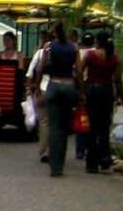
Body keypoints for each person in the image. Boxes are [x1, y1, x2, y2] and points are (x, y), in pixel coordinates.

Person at [83, 33, 123, 173]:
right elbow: (118, 81)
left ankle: (91, 162)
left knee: (92, 126)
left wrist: (81, 88)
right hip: (107, 93)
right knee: (104, 126)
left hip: (92, 91)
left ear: (97, 41)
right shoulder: (115, 59)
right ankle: (104, 158)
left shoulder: (90, 55)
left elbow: (79, 70)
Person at [43, 22, 82, 177]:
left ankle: (54, 166)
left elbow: (41, 66)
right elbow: (79, 71)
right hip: (68, 86)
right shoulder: (74, 48)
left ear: (55, 32)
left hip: (53, 84)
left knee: (54, 127)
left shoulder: (49, 46)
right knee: (64, 128)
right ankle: (60, 164)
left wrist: (35, 86)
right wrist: (82, 91)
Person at [26, 28, 54, 163]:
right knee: (56, 121)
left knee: (43, 122)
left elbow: (31, 72)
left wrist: (31, 88)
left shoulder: (40, 53)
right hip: (58, 88)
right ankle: (54, 150)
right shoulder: (63, 51)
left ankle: (43, 150)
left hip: (42, 89)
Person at [74, 33, 96, 159]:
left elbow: (77, 72)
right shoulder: (96, 53)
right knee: (92, 120)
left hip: (82, 88)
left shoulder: (79, 53)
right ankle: (90, 147)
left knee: (81, 118)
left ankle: (80, 150)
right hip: (93, 88)